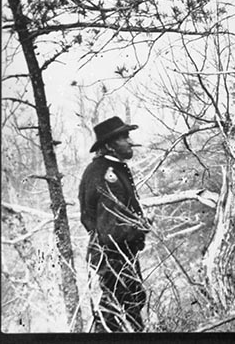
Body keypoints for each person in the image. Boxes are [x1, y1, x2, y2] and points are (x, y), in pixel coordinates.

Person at [79, 116, 149, 332]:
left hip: (118, 253)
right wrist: (136, 228)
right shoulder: (105, 174)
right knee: (118, 311)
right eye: (123, 137)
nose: (129, 141)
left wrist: (137, 223)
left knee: (130, 302)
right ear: (109, 145)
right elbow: (111, 228)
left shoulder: (110, 168)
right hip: (114, 255)